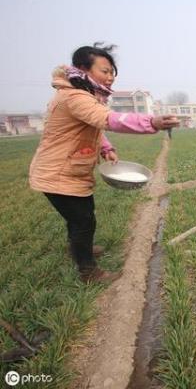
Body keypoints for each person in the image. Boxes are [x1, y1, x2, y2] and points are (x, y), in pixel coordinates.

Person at [29, 43, 179, 284]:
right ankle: (88, 271)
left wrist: (106, 148)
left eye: (112, 73)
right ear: (82, 69)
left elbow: (93, 126)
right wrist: (153, 122)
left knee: (78, 217)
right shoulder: (74, 97)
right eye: (104, 71)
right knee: (84, 220)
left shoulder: (83, 96)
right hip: (58, 173)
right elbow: (107, 119)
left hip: (66, 171)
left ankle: (78, 249)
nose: (110, 78)